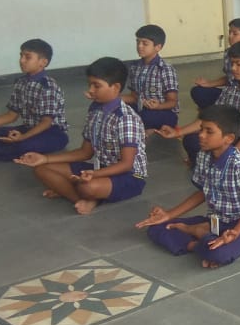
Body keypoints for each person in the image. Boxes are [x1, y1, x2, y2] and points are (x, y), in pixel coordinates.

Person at [136, 105, 240, 268]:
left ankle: (199, 235)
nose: (201, 135)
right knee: (156, 227)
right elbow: (203, 192)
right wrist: (168, 215)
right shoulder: (204, 156)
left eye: (209, 132)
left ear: (229, 138)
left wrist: (234, 234)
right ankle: (199, 242)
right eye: (201, 129)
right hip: (215, 221)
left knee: (220, 254)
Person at [14, 57, 146, 215]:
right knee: (42, 169)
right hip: (100, 167)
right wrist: (44, 158)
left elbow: (126, 164)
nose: (90, 90)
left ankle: (80, 194)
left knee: (87, 187)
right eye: (90, 84)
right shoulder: (95, 110)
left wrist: (94, 175)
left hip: (129, 176)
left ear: (116, 87)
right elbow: (85, 152)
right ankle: (82, 199)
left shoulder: (126, 118)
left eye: (96, 85)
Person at [160, 40, 240, 169]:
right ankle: (210, 163)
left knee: (235, 161)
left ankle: (214, 163)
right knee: (192, 140)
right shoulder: (231, 87)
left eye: (238, 64)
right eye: (232, 64)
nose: (233, 68)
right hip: (233, 137)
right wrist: (177, 132)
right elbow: (212, 118)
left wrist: (231, 154)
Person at [190, 18, 240, 108]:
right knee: (198, 91)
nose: (230, 36)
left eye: (235, 34)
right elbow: (229, 78)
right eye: (229, 33)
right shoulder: (227, 53)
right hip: (230, 93)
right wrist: (209, 84)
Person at [123, 24, 179, 130]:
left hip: (162, 112)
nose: (139, 46)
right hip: (141, 108)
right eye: (138, 42)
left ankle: (148, 130)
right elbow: (134, 97)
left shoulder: (165, 69)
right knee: (118, 110)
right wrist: (113, 99)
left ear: (158, 47)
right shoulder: (134, 67)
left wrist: (158, 106)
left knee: (146, 118)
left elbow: (172, 102)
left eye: (145, 43)